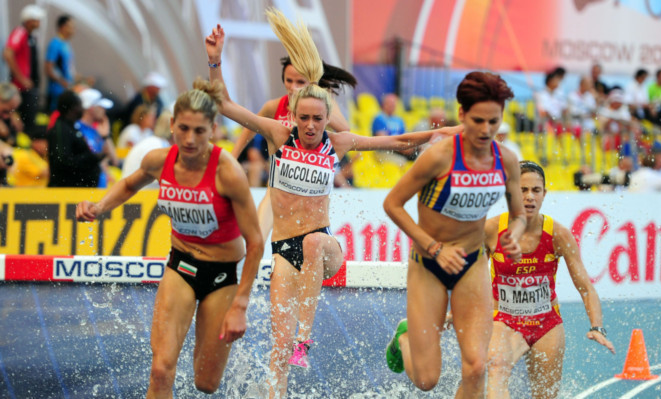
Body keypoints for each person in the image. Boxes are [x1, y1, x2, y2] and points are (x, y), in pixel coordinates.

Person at [205, 14, 462, 398]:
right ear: (294, 115)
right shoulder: (278, 133)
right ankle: (277, 383)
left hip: (326, 248)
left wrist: (440, 133)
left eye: (318, 120)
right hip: (284, 253)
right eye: (304, 118)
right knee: (277, 352)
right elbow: (224, 104)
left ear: (329, 120)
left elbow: (398, 141)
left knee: (311, 245)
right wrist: (214, 61)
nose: (310, 126)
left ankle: (304, 342)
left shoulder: (337, 143)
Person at [76, 78, 263, 397]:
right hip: (180, 268)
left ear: (213, 129)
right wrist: (99, 207)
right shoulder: (159, 160)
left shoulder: (227, 172)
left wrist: (241, 306)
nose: (190, 139)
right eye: (184, 129)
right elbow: (129, 184)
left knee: (206, 383)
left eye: (199, 131)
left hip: (221, 277)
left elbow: (256, 242)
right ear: (172, 124)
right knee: (161, 368)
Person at [383, 71, 526, 397]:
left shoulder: (506, 160)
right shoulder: (439, 156)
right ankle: (404, 338)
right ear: (461, 114)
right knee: (427, 380)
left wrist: (513, 234)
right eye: (478, 120)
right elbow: (392, 204)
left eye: (494, 121)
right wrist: (434, 248)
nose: (487, 130)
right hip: (428, 265)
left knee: (476, 367)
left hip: (472, 265)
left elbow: (518, 216)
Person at [485, 160, 615, 399]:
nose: (529, 197)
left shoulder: (559, 234)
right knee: (496, 372)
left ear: (544, 194)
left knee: (545, 396)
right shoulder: (491, 230)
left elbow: (585, 287)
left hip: (546, 323)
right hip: (504, 320)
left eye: (536, 190)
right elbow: (471, 281)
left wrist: (597, 326)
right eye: (522, 190)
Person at [230, 50, 357, 241]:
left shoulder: (323, 103)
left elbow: (345, 129)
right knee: (255, 241)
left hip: (311, 196)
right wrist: (232, 157)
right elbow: (248, 129)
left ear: (311, 82)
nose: (293, 87)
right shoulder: (274, 106)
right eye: (289, 81)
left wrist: (320, 105)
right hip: (277, 191)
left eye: (300, 82)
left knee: (308, 251)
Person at [3, 4, 46, 135]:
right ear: (29, 20)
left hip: (27, 87)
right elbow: (7, 54)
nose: (39, 23)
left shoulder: (30, 36)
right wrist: (22, 79)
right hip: (20, 88)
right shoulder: (20, 32)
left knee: (29, 121)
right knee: (22, 124)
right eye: (37, 20)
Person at [47, 90, 104, 187]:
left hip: (79, 190)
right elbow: (62, 161)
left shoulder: (72, 128)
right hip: (66, 192)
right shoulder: (61, 130)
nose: (82, 109)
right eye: (80, 106)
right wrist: (91, 158)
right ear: (73, 108)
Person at [44, 15, 92, 112]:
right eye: (71, 26)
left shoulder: (66, 44)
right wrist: (62, 82)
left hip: (67, 90)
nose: (74, 29)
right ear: (63, 27)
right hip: (57, 92)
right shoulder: (55, 44)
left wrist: (83, 80)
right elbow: (49, 68)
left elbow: (69, 70)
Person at [120, 109, 173, 189]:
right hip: (139, 195)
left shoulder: (152, 141)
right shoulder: (159, 147)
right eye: (184, 128)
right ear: (173, 129)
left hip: (131, 191)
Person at [77, 88, 119, 187]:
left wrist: (106, 136)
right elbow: (89, 160)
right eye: (101, 107)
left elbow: (115, 161)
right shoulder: (77, 129)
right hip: (85, 188)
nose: (104, 110)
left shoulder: (97, 131)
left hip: (99, 188)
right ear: (91, 108)